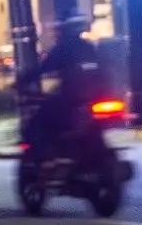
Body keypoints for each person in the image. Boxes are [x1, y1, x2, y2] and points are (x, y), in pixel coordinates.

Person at [22, 17, 109, 162]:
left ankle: (46, 158)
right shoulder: (88, 47)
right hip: (94, 99)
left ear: (64, 31)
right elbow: (104, 72)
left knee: (36, 124)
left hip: (71, 100)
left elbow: (42, 69)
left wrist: (23, 81)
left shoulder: (63, 48)